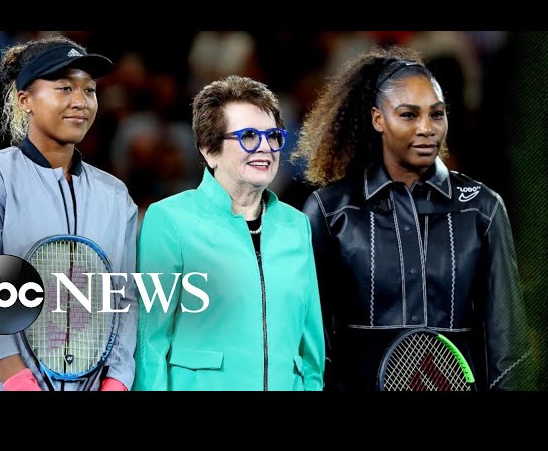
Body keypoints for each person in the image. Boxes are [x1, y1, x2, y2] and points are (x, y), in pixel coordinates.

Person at [294, 46, 534, 391]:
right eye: (408, 115)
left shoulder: (483, 208)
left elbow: (509, 350)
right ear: (378, 119)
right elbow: (309, 344)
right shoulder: (330, 211)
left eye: (437, 114)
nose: (427, 128)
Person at [0, 35, 138, 391]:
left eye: (89, 90)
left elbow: (125, 298)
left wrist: (118, 380)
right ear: (24, 99)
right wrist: (18, 380)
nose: (80, 102)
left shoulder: (116, 195)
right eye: (64, 88)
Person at [132, 75, 325, 391]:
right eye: (248, 136)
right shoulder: (169, 220)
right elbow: (150, 343)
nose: (265, 148)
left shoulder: (296, 225)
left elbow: (310, 346)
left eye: (273, 136)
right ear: (210, 149)